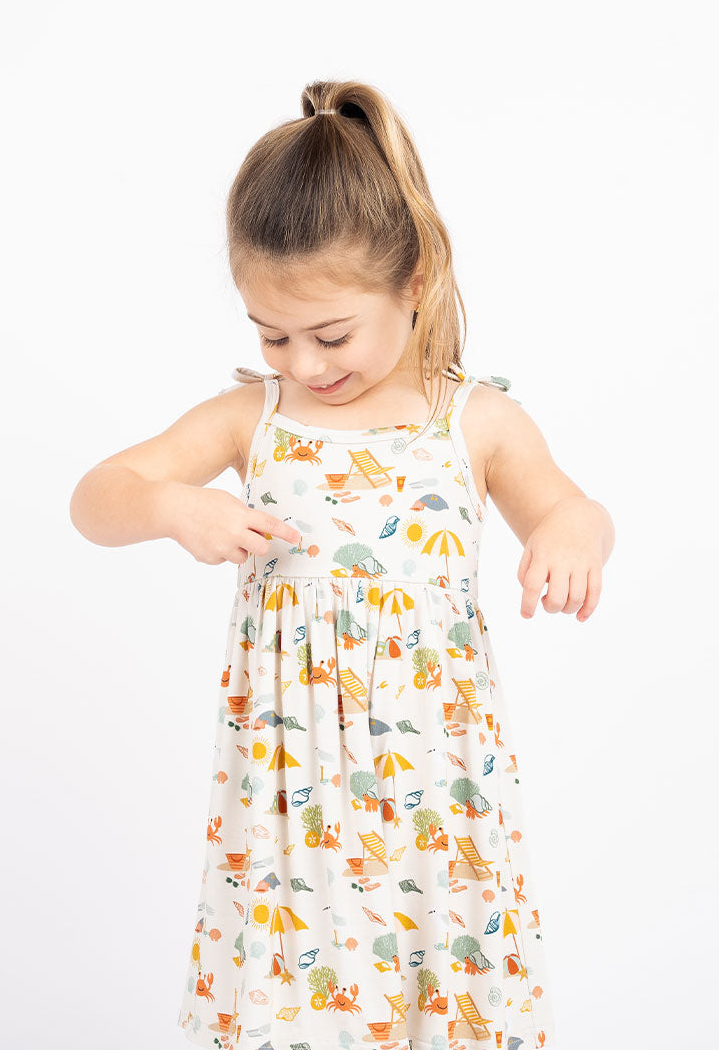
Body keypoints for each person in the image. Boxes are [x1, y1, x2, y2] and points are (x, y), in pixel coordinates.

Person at [70, 79, 614, 1050]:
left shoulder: (474, 421)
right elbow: (97, 497)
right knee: (300, 1007)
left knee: (435, 1006)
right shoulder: (256, 420)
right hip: (291, 810)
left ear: (414, 284)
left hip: (438, 802)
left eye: (329, 335)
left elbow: (565, 503)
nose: (305, 365)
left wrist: (571, 536)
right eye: (271, 335)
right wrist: (167, 505)